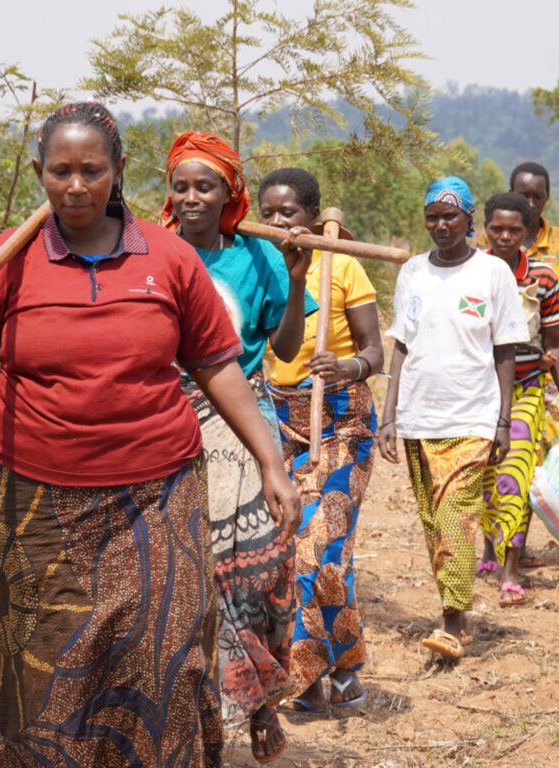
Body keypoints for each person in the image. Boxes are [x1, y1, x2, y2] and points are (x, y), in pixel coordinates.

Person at [0, 102, 300, 768]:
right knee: (40, 671)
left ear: (119, 171)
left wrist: (269, 462)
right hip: (30, 506)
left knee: (161, 657)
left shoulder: (168, 257)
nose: (76, 186)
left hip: (155, 497)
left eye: (92, 170)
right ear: (40, 172)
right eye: (61, 171)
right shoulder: (6, 261)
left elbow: (216, 363)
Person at [161, 132, 313, 763]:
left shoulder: (257, 257)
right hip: (171, 416)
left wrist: (297, 278)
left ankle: (261, 699)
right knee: (191, 574)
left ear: (230, 195)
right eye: (181, 186)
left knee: (262, 562)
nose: (192, 198)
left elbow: (281, 349)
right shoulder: (150, 252)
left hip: (243, 416)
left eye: (206, 187)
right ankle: (209, 721)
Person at [378, 177, 527, 659]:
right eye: (432, 216)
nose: (440, 225)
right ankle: (455, 614)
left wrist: (503, 421)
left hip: (472, 415)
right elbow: (401, 343)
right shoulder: (414, 272)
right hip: (419, 415)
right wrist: (389, 415)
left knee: (457, 517)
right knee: (432, 521)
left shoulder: (492, 274)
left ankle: (451, 619)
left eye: (450, 216)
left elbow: (505, 349)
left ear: (468, 221)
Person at [258, 167, 385, 713]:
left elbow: (375, 351)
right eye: (268, 213)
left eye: (289, 213)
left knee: (321, 549)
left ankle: (307, 676)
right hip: (276, 423)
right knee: (286, 551)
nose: (278, 222)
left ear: (312, 217)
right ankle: (345, 667)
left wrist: (349, 366)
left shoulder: (344, 266)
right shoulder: (259, 265)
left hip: (341, 421)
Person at [477, 163, 559, 574]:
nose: (505, 237)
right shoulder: (472, 270)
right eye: (497, 230)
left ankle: (511, 567)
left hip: (527, 385)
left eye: (514, 230)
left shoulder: (543, 275)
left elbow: (556, 344)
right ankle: (490, 550)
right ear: (487, 229)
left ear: (529, 231)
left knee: (519, 468)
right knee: (487, 473)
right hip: (479, 391)